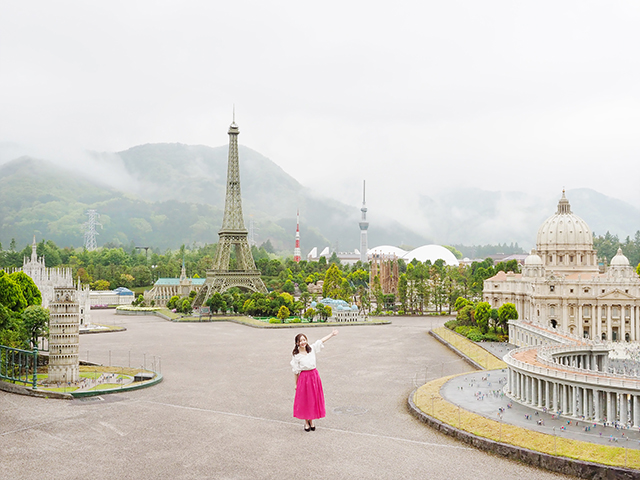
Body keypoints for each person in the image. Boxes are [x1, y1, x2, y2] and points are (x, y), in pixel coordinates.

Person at [290, 330, 338, 432]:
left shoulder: (311, 349)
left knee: (312, 399)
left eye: (304, 340)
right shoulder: (296, 355)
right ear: (297, 343)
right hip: (304, 377)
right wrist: (296, 383)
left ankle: (311, 421)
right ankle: (306, 422)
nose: (303, 342)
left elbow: (321, 341)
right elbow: (295, 371)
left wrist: (332, 335)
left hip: (314, 376)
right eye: (300, 341)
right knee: (304, 400)